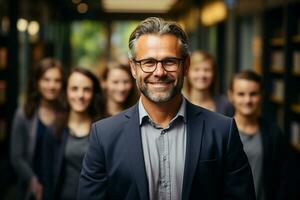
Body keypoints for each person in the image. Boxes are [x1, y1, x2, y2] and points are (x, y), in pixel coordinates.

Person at [77, 17, 255, 200]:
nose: (159, 72)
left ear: (185, 66)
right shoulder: (104, 135)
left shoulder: (222, 131)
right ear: (133, 68)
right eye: (148, 62)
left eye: (169, 61)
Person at [44, 67, 105, 200]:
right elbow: (47, 178)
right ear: (65, 91)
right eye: (74, 88)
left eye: (87, 89)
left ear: (94, 93)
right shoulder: (54, 130)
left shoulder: (105, 129)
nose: (80, 95)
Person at [10, 58, 65, 200]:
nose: (52, 85)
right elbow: (16, 156)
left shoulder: (67, 113)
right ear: (37, 82)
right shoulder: (24, 114)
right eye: (46, 80)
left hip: (62, 185)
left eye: (57, 80)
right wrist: (32, 180)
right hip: (33, 187)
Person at [228, 70, 287, 200]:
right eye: (241, 94)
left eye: (253, 94)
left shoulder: (273, 133)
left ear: (261, 95)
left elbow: (283, 179)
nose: (247, 100)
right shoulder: (220, 132)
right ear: (231, 95)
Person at [183, 50, 233, 116]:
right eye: (196, 70)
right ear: (187, 73)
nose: (202, 75)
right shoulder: (178, 103)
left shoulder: (225, 105)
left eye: (207, 70)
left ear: (214, 74)